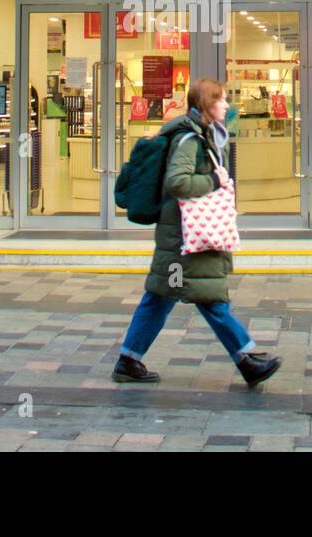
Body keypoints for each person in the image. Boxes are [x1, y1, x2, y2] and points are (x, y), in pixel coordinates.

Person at [112, 78, 283, 387]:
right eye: (222, 101)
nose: (228, 106)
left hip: (180, 232)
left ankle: (129, 359)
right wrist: (214, 182)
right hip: (184, 236)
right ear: (207, 105)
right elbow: (177, 182)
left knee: (161, 296)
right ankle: (246, 359)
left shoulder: (200, 134)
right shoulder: (190, 140)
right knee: (208, 296)